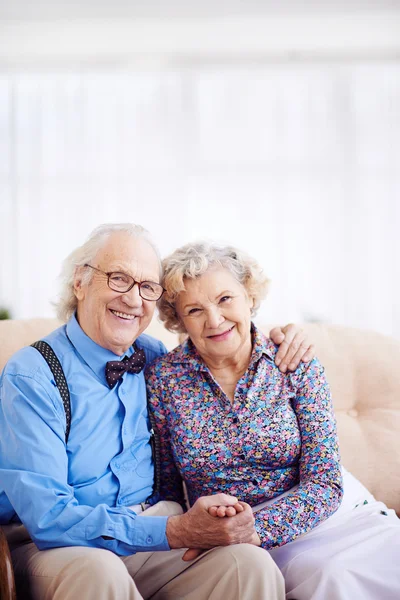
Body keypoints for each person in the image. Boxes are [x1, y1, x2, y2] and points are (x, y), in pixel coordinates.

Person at [0, 223, 313, 600]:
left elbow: (225, 347)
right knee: (99, 572)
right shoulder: (32, 374)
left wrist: (284, 337)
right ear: (80, 283)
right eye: (119, 279)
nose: (134, 300)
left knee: (248, 564)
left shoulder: (152, 358)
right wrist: (175, 531)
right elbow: (48, 518)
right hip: (59, 545)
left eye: (148, 287)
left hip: (150, 525)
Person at [146, 240, 400, 600]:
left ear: (249, 296)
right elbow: (168, 489)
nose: (214, 320)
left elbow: (326, 482)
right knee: (332, 577)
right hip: (247, 548)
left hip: (331, 516)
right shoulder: (163, 379)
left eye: (224, 299)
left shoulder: (295, 361)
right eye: (195, 309)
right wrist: (203, 532)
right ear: (179, 319)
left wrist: (252, 529)